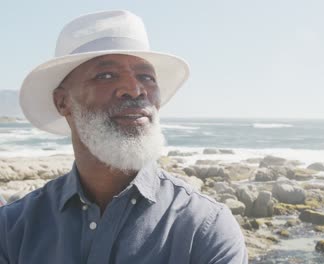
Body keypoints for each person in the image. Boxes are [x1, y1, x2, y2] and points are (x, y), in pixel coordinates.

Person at [0, 10, 247, 263]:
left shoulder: (204, 228)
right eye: (106, 75)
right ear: (63, 102)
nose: (134, 89)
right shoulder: (13, 229)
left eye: (146, 77)